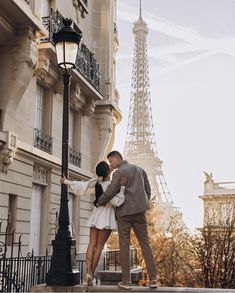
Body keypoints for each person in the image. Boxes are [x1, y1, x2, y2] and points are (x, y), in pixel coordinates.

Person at [97, 151, 157, 289]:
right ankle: (153, 279)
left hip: (124, 213)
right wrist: (144, 203)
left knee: (124, 245)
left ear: (118, 158)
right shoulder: (141, 170)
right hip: (140, 213)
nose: (110, 165)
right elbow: (148, 189)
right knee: (145, 244)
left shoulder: (118, 173)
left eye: (111, 161)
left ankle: (126, 281)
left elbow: (111, 191)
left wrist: (99, 201)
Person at [60, 160, 125, 286]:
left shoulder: (96, 182)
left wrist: (66, 181)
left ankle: (87, 274)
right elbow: (118, 202)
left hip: (96, 214)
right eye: (109, 167)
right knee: (99, 247)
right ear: (107, 171)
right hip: (106, 215)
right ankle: (91, 274)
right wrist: (122, 189)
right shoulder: (112, 185)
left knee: (91, 244)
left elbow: (81, 186)